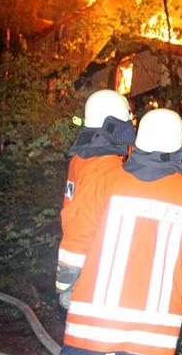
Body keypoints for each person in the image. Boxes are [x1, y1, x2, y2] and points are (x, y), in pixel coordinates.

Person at [55, 108, 182, 355]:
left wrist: (65, 282)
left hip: (94, 314)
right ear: (181, 146)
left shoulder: (108, 179)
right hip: (150, 325)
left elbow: (81, 236)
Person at [57, 89, 135, 308]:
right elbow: (86, 221)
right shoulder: (106, 166)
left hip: (78, 269)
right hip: (92, 274)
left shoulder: (81, 158)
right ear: (115, 126)